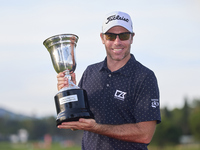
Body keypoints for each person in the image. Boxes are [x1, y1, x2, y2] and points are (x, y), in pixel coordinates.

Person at [57, 11, 161, 150]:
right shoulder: (90, 72)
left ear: (132, 38)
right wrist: (68, 91)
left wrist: (96, 128)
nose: (117, 42)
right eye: (110, 36)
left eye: (123, 36)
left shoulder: (144, 77)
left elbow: (144, 134)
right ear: (102, 38)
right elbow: (76, 124)